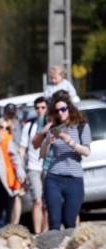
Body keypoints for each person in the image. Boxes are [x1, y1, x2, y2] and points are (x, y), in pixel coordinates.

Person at [40, 96, 91, 230]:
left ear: (70, 108)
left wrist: (70, 142)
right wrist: (47, 142)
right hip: (54, 177)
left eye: (63, 109)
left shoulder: (82, 126)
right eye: (57, 111)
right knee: (54, 221)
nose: (60, 113)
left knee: (70, 221)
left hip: (74, 178)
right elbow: (42, 155)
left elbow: (86, 151)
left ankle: (68, 248)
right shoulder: (54, 127)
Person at [19, 97, 48, 233]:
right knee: (37, 201)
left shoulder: (52, 125)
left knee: (48, 203)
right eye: (37, 108)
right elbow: (22, 149)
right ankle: (37, 234)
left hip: (48, 166)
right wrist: (21, 169)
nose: (40, 110)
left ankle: (47, 233)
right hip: (33, 167)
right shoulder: (29, 126)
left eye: (43, 107)